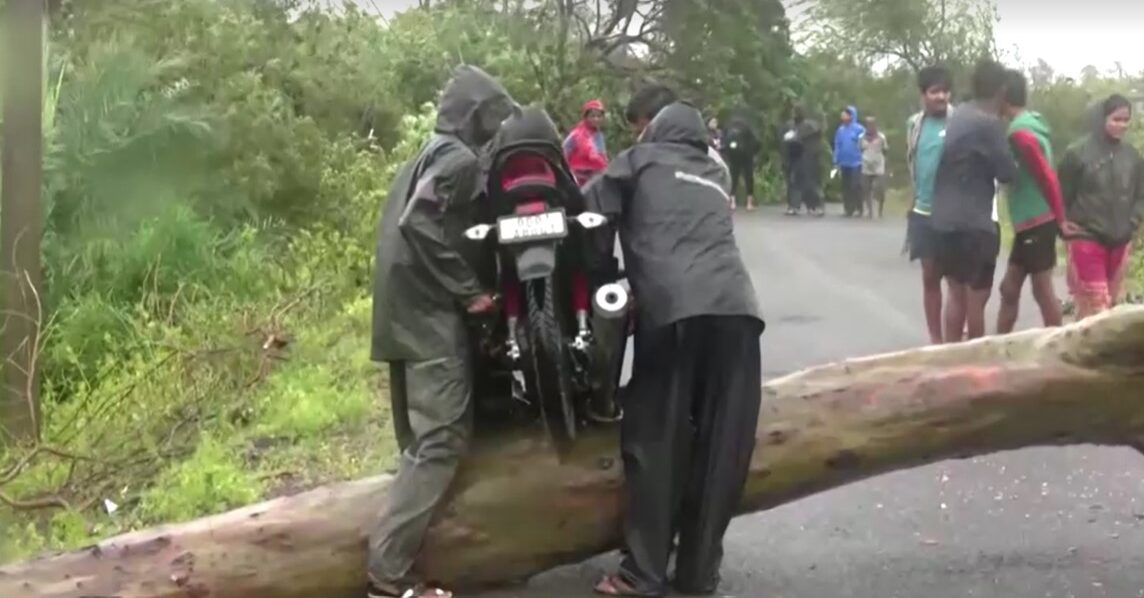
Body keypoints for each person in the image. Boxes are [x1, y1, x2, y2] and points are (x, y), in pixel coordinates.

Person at [582, 101, 765, 597]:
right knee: (722, 448)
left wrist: (605, 279)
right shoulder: (715, 172)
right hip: (738, 311)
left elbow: (590, 212)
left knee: (654, 439)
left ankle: (642, 574)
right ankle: (698, 573)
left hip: (674, 309)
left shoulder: (638, 161)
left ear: (655, 133)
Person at [367, 65, 515, 598]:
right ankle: (388, 577)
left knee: (417, 441)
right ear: (475, 117)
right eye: (493, 117)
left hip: (399, 311)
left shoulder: (420, 156)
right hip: (429, 314)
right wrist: (471, 290)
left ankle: (420, 552)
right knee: (441, 440)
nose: (497, 129)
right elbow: (418, 221)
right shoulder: (457, 159)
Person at [930, 59, 1017, 343]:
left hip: (943, 221)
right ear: (1002, 90)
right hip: (974, 224)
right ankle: (975, 369)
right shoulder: (988, 124)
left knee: (955, 296)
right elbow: (1007, 173)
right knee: (975, 301)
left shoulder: (961, 114)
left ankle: (949, 359)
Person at [1057, 94, 1144, 318]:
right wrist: (1062, 224)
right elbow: (1061, 194)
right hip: (1086, 238)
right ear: (1102, 118)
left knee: (1107, 312)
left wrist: (1133, 221)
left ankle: (1079, 350)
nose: (1121, 125)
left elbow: (1140, 196)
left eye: (1126, 120)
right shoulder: (1077, 153)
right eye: (1116, 119)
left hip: (1121, 241)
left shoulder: (1132, 157)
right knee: (1097, 309)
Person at [996, 68, 1067, 334]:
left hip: (1037, 221)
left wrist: (1061, 218)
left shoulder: (1021, 134)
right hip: (1028, 223)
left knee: (1042, 289)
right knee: (1009, 288)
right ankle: (1000, 346)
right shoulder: (1031, 122)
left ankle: (1059, 345)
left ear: (1002, 95)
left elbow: (1047, 176)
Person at [905, 65, 954, 344]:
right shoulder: (914, 124)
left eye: (945, 91)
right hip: (923, 212)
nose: (941, 97)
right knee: (930, 278)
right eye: (935, 91)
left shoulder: (960, 122)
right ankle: (936, 341)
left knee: (958, 283)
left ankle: (955, 340)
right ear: (923, 94)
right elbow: (914, 161)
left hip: (954, 214)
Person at [624, 84, 731, 190]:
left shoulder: (713, 167)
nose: (638, 139)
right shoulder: (636, 164)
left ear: (663, 121)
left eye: (642, 131)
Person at [781, 104, 824, 217]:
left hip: (807, 156)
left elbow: (815, 141)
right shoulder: (790, 126)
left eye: (796, 112)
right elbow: (784, 141)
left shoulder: (810, 126)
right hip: (794, 157)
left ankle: (814, 206)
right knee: (793, 182)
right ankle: (794, 206)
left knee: (809, 183)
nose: (794, 115)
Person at [564, 98, 610, 185]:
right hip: (578, 178)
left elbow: (602, 157)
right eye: (592, 116)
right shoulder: (576, 134)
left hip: (595, 177)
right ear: (586, 117)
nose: (596, 119)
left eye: (599, 116)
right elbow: (564, 152)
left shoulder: (599, 135)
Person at [833, 105, 866, 217]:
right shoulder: (840, 130)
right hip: (844, 162)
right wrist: (836, 159)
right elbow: (837, 144)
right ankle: (848, 208)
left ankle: (859, 207)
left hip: (857, 161)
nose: (843, 115)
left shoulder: (859, 129)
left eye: (846, 114)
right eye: (843, 113)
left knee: (855, 185)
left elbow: (864, 143)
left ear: (852, 115)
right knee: (845, 185)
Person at [724, 110, 761, 211]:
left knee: (733, 179)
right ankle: (749, 203)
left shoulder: (729, 128)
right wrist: (753, 153)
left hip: (734, 158)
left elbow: (725, 143)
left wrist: (728, 155)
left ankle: (732, 202)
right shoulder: (748, 129)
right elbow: (756, 142)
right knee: (749, 179)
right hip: (747, 157)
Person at [859, 116, 889, 219]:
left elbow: (885, 150)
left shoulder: (881, 137)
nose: (870, 127)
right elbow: (860, 149)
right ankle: (869, 210)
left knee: (879, 188)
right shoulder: (861, 137)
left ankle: (880, 209)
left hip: (878, 165)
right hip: (866, 165)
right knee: (866, 188)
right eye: (868, 124)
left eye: (872, 124)